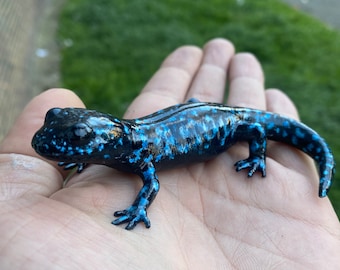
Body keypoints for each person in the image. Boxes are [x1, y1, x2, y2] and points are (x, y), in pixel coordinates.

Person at [0, 38, 339, 269]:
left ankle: (282, 152)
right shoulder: (117, 148)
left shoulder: (136, 154)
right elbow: (98, 151)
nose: (71, 143)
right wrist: (82, 155)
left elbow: (151, 186)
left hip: (231, 122)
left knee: (254, 127)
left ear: (105, 138)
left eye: (79, 138)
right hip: (197, 113)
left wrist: (257, 155)